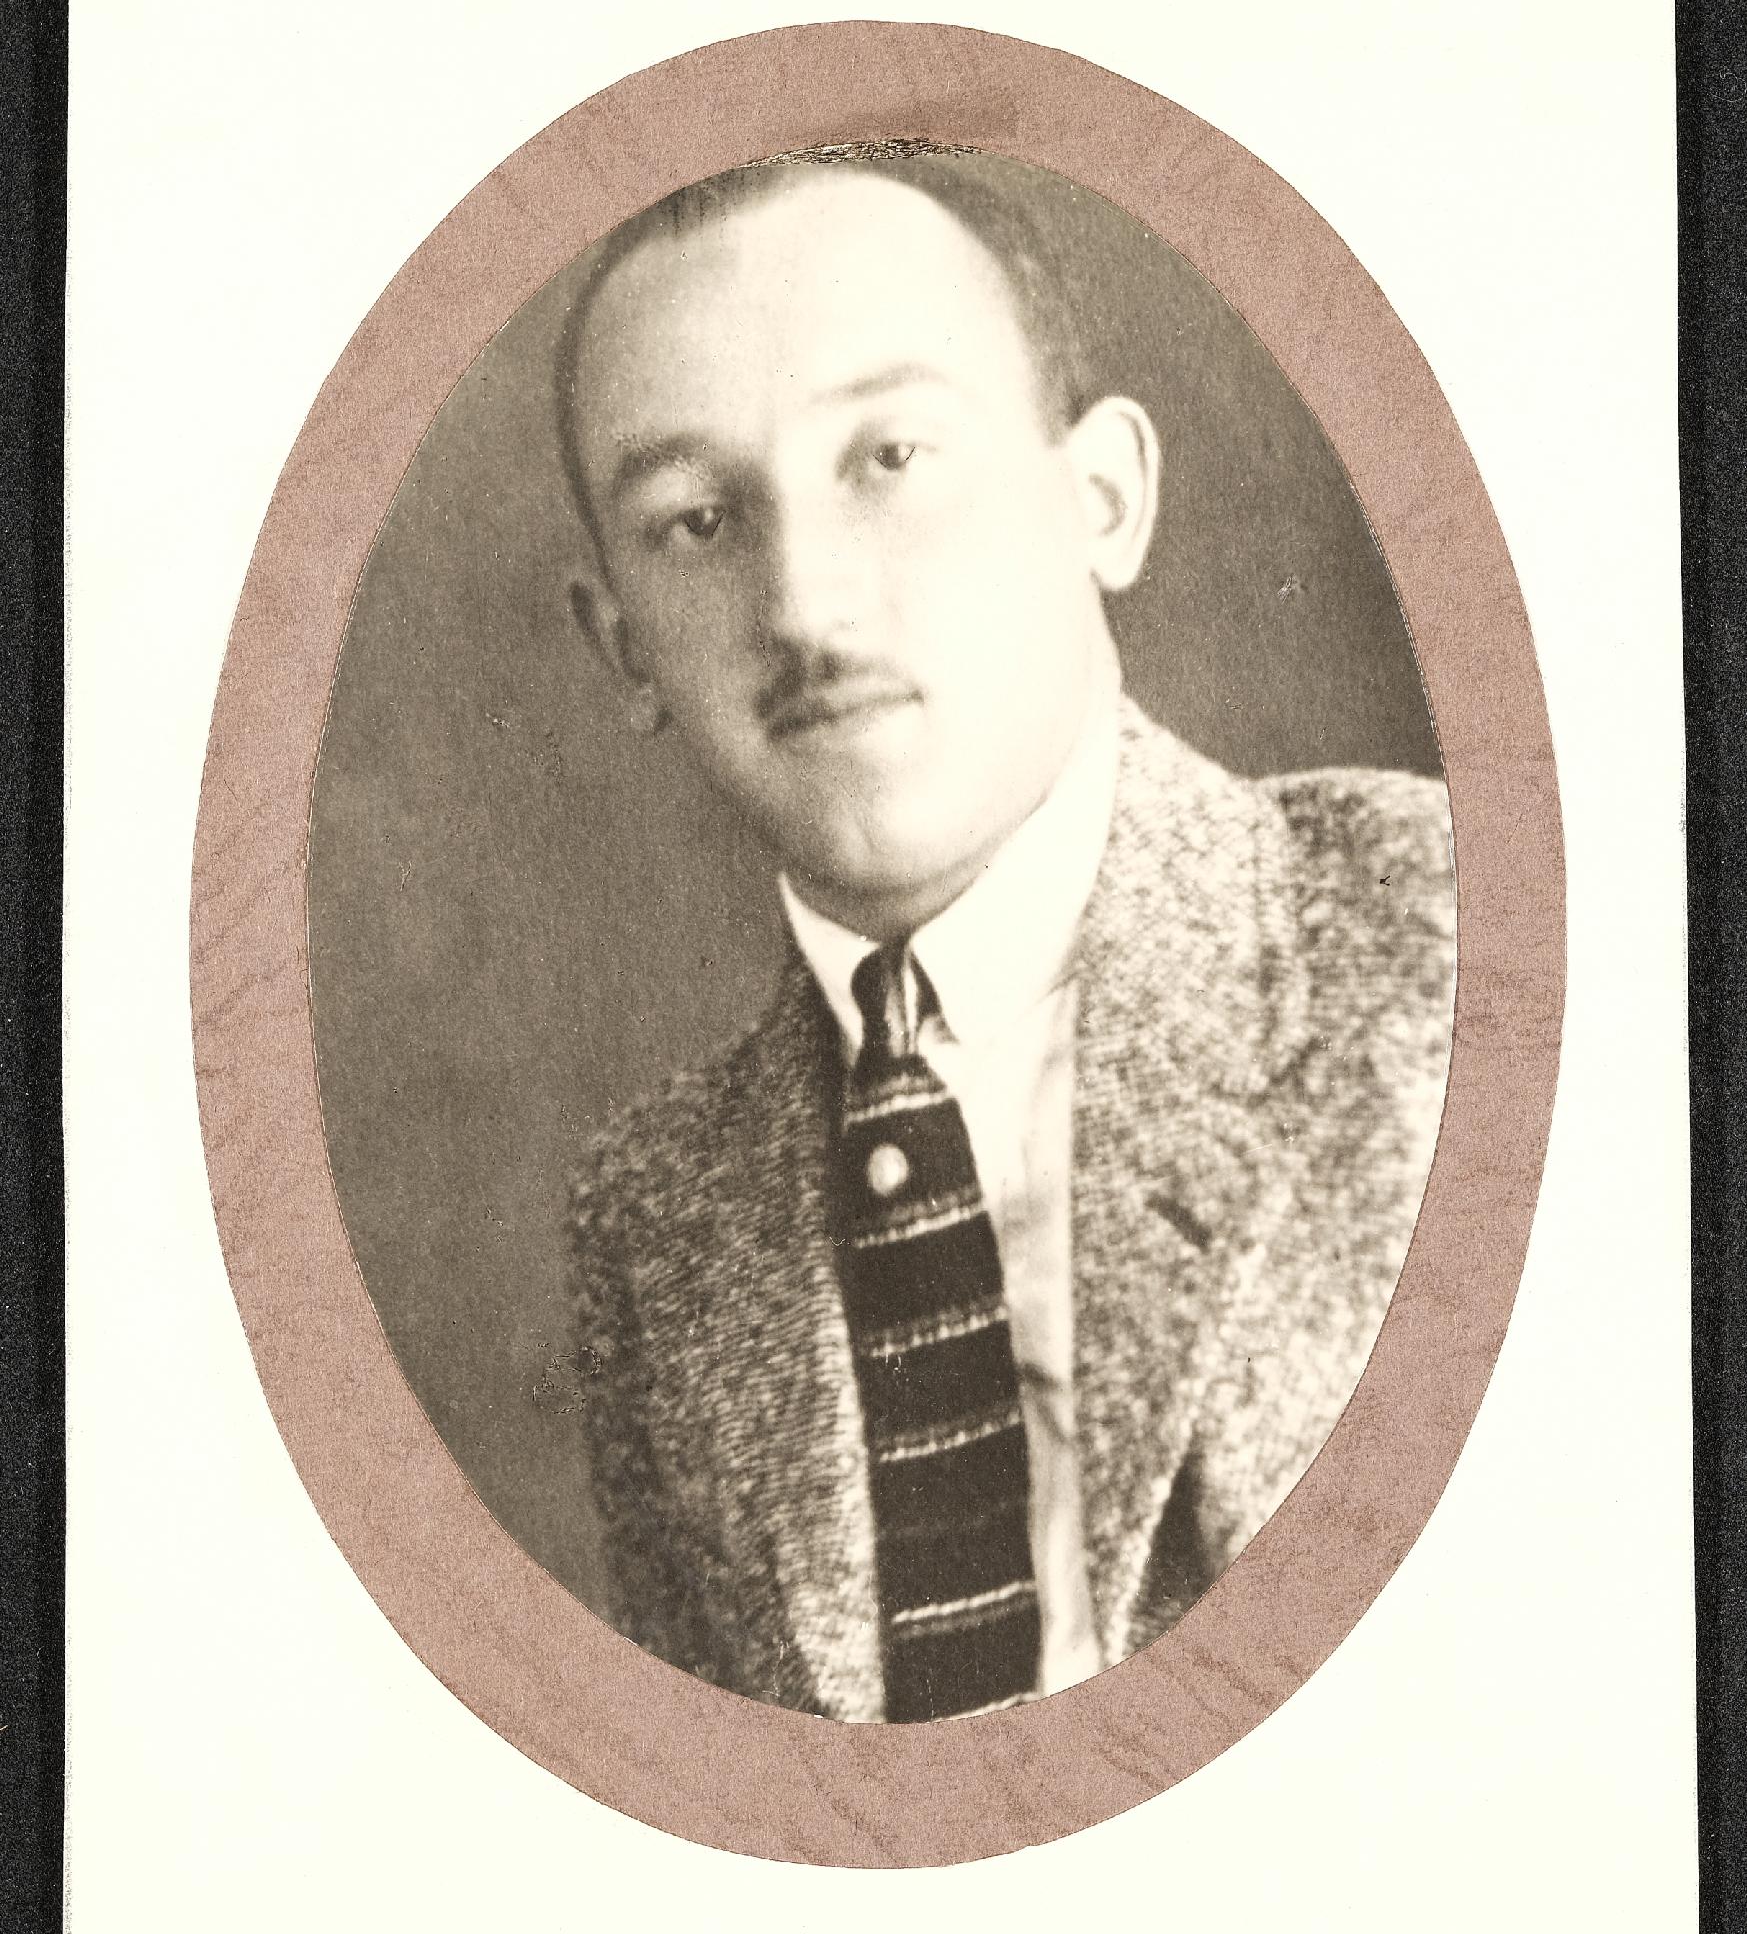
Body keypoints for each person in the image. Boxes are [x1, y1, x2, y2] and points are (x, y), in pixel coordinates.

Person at [555, 149, 1455, 1723]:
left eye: (891, 455)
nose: (807, 602)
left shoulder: (1440, 927)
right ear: (624, 647)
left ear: (1101, 499)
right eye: (697, 519)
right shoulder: (653, 1222)